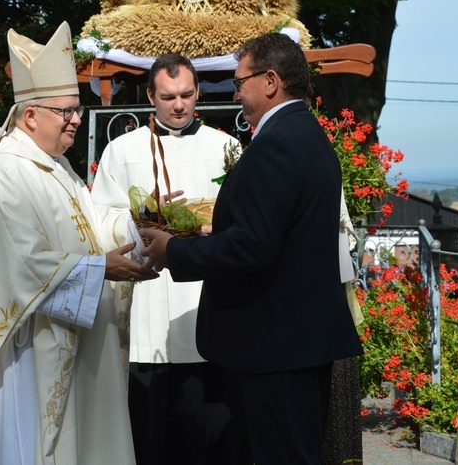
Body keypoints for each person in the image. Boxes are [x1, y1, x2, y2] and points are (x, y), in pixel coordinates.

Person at [0, 21, 157, 464]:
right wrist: (101, 269)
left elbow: (93, 224)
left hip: (69, 341)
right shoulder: (8, 171)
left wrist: (143, 227)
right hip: (31, 353)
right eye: (67, 112)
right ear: (32, 115)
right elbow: (21, 265)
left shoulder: (56, 166)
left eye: (77, 109)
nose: (77, 119)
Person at [140, 32, 364, 464]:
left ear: (271, 80)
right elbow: (276, 235)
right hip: (295, 339)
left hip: (278, 345)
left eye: (240, 81)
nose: (235, 91)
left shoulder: (276, 142)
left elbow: (253, 248)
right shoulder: (305, 132)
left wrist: (175, 252)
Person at [90, 53, 239, 464]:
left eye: (187, 95)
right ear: (151, 96)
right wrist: (146, 218)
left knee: (205, 435)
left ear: (198, 94)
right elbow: (100, 219)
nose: (179, 105)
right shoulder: (122, 150)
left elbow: (245, 221)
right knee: (149, 436)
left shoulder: (227, 147)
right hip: (148, 306)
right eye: (168, 96)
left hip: (204, 302)